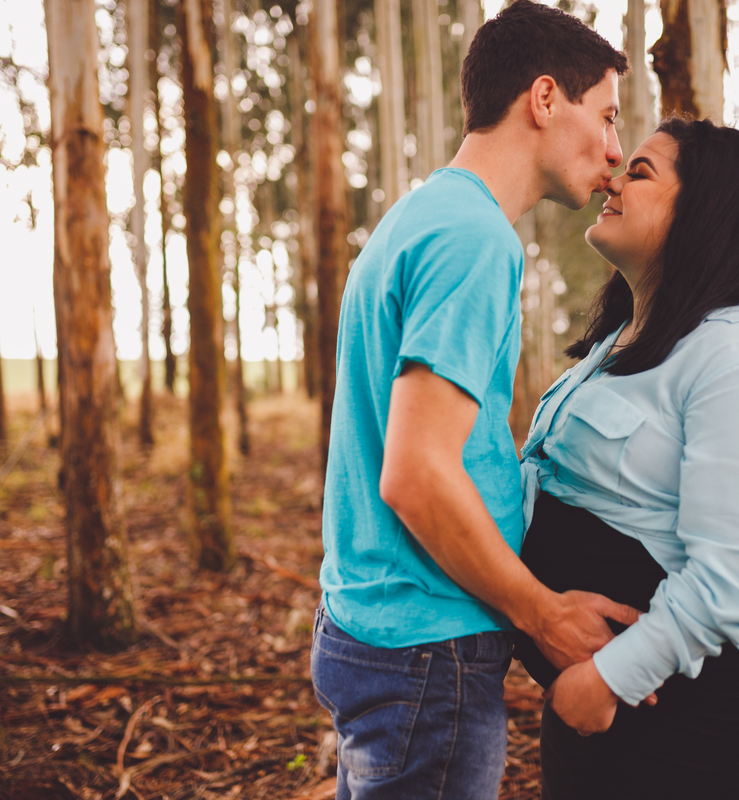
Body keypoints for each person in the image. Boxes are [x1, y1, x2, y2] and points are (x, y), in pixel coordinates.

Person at [310, 3, 635, 798]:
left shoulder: (422, 217)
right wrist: (542, 613)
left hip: (382, 637)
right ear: (546, 98)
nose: (617, 150)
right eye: (608, 115)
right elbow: (416, 474)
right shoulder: (474, 240)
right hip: (428, 652)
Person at [511, 117, 739, 799]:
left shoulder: (731, 361)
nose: (613, 179)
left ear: (703, 208)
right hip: (597, 691)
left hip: (686, 712)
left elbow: (737, 577)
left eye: (640, 171)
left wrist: (611, 676)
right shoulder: (616, 343)